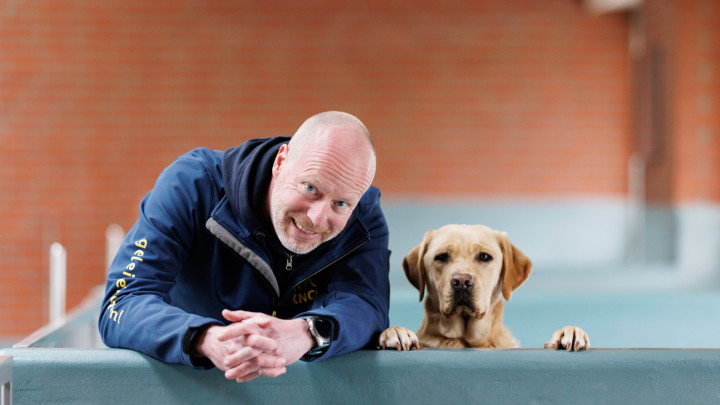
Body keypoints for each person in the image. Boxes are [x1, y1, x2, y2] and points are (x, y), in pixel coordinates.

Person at [98, 111, 390, 382]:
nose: (316, 218)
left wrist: (308, 331)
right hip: (187, 384)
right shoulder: (191, 186)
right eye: (310, 188)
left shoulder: (361, 217)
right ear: (280, 162)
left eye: (340, 204)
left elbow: (367, 304)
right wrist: (206, 338)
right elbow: (122, 302)